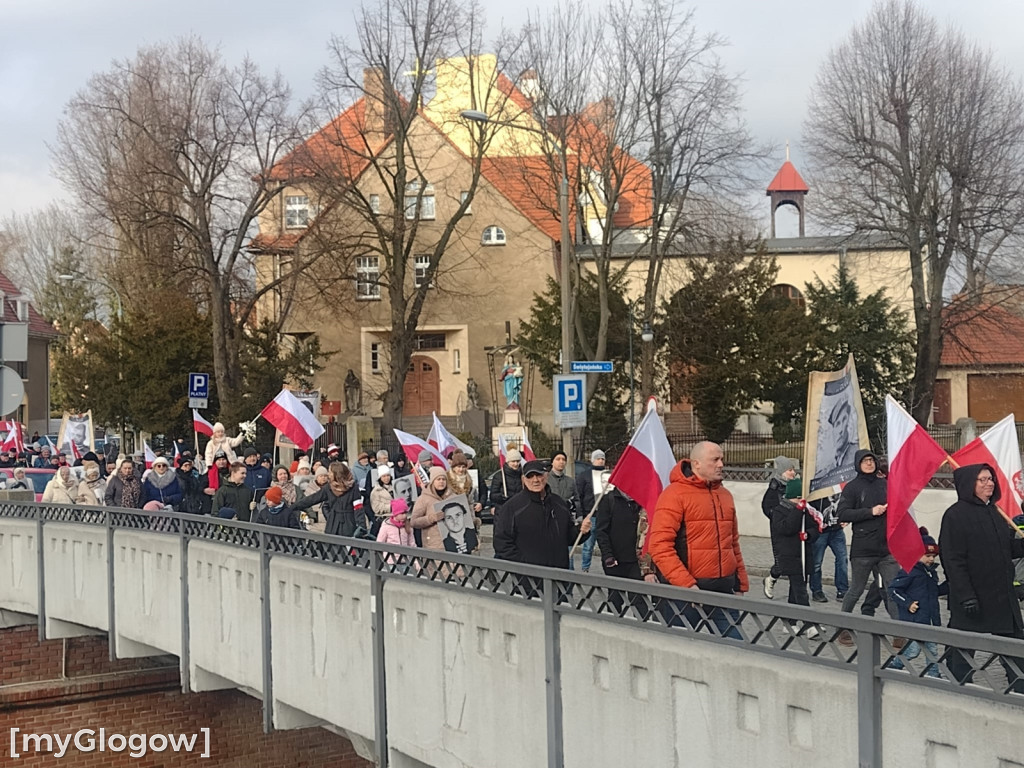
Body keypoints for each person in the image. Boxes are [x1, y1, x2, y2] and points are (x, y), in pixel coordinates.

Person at [648, 442, 749, 639]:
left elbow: (732, 542)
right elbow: (659, 546)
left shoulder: (725, 495)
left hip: (723, 591)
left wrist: (740, 583)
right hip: (685, 596)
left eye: (722, 459)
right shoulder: (674, 494)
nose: (721, 464)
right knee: (680, 654)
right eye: (715, 460)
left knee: (736, 650)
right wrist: (687, 585)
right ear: (697, 464)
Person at [939, 463, 1024, 686]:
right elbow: (952, 561)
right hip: (973, 599)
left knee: (1016, 651)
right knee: (962, 652)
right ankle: (959, 688)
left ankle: (1019, 691)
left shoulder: (995, 512)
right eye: (983, 479)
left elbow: (1005, 549)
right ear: (969, 484)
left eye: (990, 478)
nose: (989, 483)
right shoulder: (955, 516)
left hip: (1002, 598)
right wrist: (966, 596)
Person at [837, 450, 899, 638]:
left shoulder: (885, 484)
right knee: (856, 589)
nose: (870, 463)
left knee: (893, 589)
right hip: (863, 549)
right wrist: (870, 512)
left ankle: (900, 632)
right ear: (858, 464)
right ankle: (842, 628)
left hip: (886, 548)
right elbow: (843, 514)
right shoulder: (852, 487)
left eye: (872, 460)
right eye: (865, 461)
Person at [494, 459, 591, 568]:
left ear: (546, 476)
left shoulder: (559, 503)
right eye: (530, 476)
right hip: (527, 578)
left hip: (558, 575)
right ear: (523, 479)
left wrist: (581, 530)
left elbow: (568, 537)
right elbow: (501, 543)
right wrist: (524, 564)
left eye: (539, 475)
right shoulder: (512, 507)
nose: (535, 480)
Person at [886, 528, 947, 677]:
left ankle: (934, 674)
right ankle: (895, 665)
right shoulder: (909, 571)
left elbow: (934, 592)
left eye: (933, 556)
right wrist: (908, 604)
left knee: (932, 649)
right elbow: (893, 590)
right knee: (913, 649)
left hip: (931, 619)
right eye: (927, 556)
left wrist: (950, 586)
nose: (931, 559)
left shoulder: (931, 572)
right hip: (916, 619)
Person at [769, 479, 813, 608]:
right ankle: (809, 622)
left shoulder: (807, 510)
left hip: (804, 554)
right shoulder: (779, 511)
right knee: (800, 591)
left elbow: (814, 527)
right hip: (789, 555)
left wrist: (809, 534)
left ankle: (791, 621)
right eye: (799, 498)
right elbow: (787, 528)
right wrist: (798, 511)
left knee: (795, 590)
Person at [293, 461, 365, 537]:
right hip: (332, 523)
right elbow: (312, 499)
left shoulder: (353, 488)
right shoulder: (328, 487)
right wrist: (294, 507)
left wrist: (361, 528)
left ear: (337, 474)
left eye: (330, 472)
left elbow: (358, 509)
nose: (328, 474)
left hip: (349, 524)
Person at [761, 456, 798, 599]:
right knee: (781, 561)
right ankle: (770, 579)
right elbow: (766, 507)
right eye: (789, 470)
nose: (793, 473)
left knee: (793, 562)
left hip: (793, 527)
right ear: (782, 471)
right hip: (779, 529)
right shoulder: (774, 487)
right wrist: (778, 517)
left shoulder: (794, 484)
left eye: (793, 469)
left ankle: (795, 597)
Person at [594, 487, 643, 580]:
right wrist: (608, 555)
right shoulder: (609, 499)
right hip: (615, 560)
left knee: (637, 593)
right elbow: (601, 531)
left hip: (636, 561)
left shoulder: (640, 500)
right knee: (616, 593)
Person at [808, 492, 848, 603]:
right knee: (816, 562)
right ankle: (816, 590)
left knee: (842, 559)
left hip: (837, 530)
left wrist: (847, 518)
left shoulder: (839, 487)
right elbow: (809, 507)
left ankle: (843, 590)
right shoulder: (817, 488)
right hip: (820, 532)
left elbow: (847, 503)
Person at [574, 449, 608, 572]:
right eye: (598, 458)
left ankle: (607, 567)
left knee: (606, 544)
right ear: (593, 460)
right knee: (588, 545)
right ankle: (585, 568)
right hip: (591, 514)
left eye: (602, 458)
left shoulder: (608, 475)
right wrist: (582, 515)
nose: (600, 461)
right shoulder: (584, 476)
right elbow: (579, 496)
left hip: (605, 516)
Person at [411, 467, 453, 550]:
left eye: (443, 479)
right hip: (433, 546)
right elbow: (414, 522)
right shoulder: (423, 499)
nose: (441, 481)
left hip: (453, 544)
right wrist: (431, 518)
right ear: (433, 481)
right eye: (438, 479)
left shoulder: (452, 497)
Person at [369, 464, 396, 535]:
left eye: (388, 475)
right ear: (380, 477)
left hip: (396, 518)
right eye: (384, 476)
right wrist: (390, 506)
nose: (386, 478)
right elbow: (376, 508)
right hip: (384, 519)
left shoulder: (395, 487)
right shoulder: (376, 491)